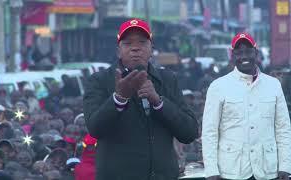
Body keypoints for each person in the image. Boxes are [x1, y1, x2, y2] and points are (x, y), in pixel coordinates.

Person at [83, 18, 198, 179]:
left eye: (142, 42)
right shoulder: (99, 80)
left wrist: (158, 102)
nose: (135, 48)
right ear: (118, 51)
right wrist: (119, 98)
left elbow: (189, 132)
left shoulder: (167, 79)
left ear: (152, 49)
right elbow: (95, 128)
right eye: (128, 43)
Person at [202, 32, 291, 180]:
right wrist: (211, 171)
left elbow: (283, 129)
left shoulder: (273, 85)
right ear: (232, 55)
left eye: (248, 51)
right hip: (232, 171)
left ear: (255, 53)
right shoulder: (218, 87)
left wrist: (285, 167)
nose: (244, 56)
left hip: (267, 170)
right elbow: (210, 132)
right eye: (239, 52)